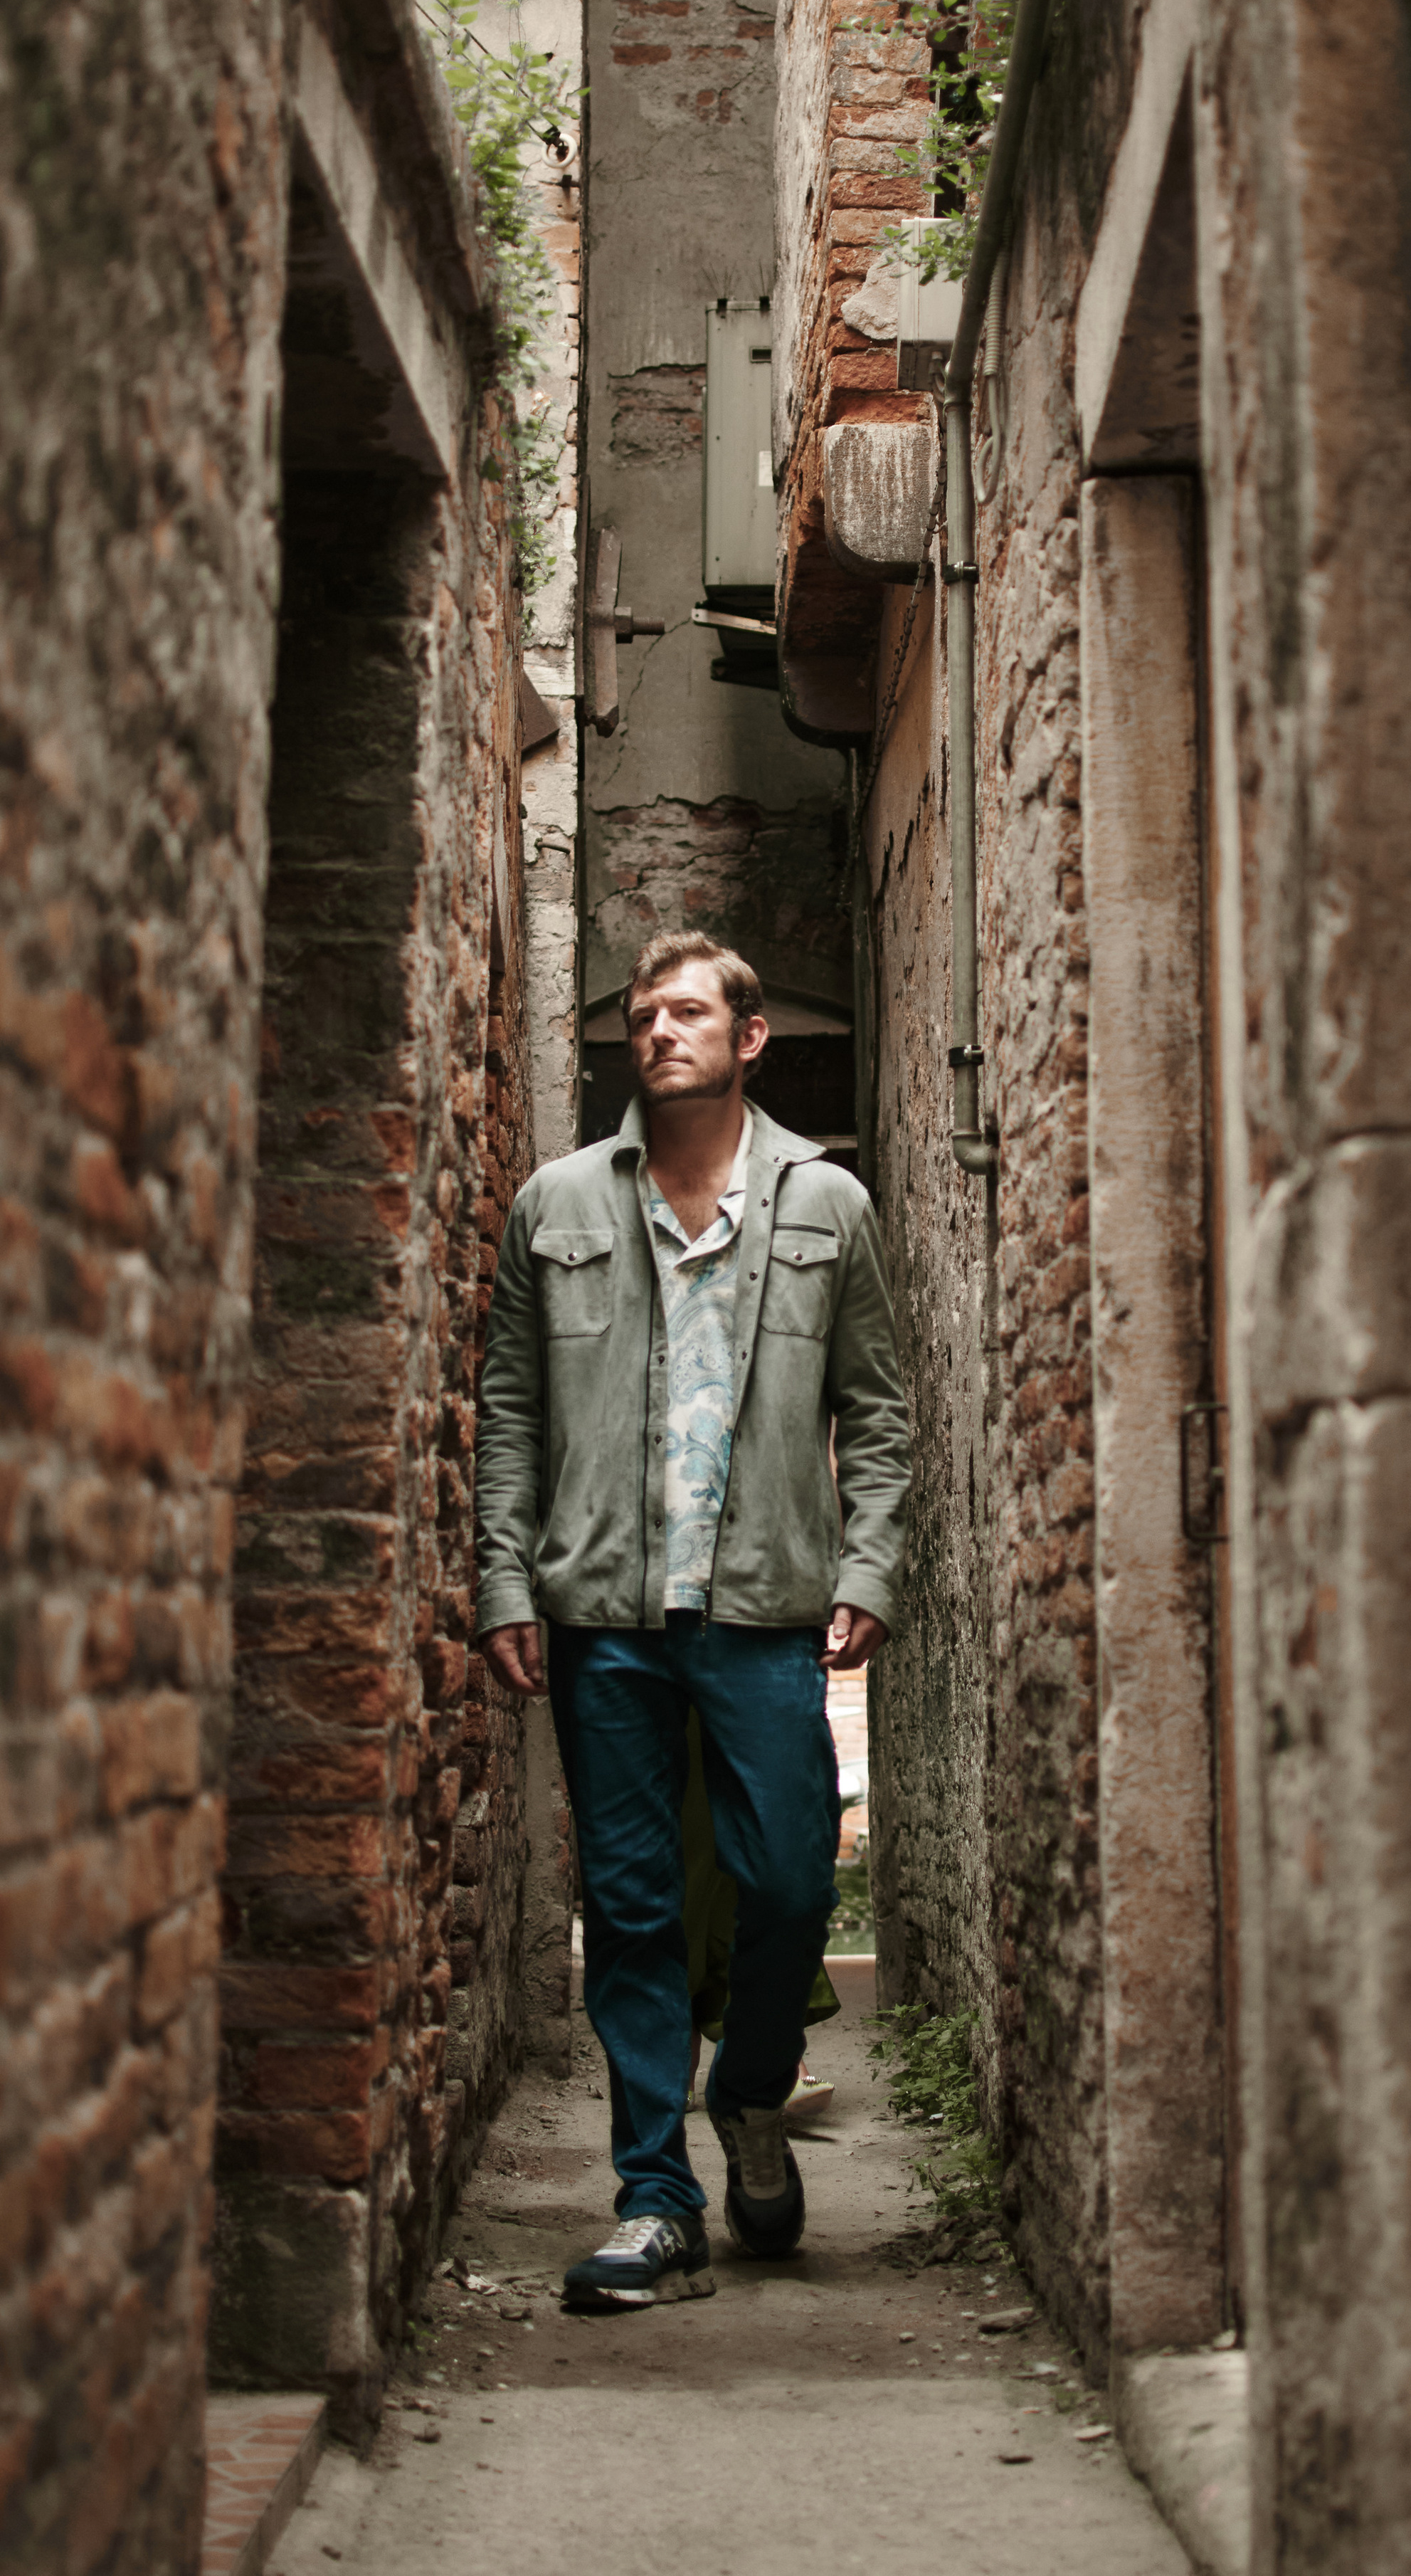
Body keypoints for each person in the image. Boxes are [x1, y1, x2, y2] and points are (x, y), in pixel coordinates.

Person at [473, 930, 909, 2311]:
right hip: (601, 1613)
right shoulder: (555, 1205)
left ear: (750, 1036)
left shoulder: (824, 1205)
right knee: (635, 1908)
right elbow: (507, 1420)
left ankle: (752, 2091)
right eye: (641, 1016)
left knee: (788, 1879)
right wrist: (502, 1584)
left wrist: (869, 1570)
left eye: (686, 1013)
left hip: (765, 1609)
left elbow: (880, 1414)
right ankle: (654, 2201)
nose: (658, 1033)